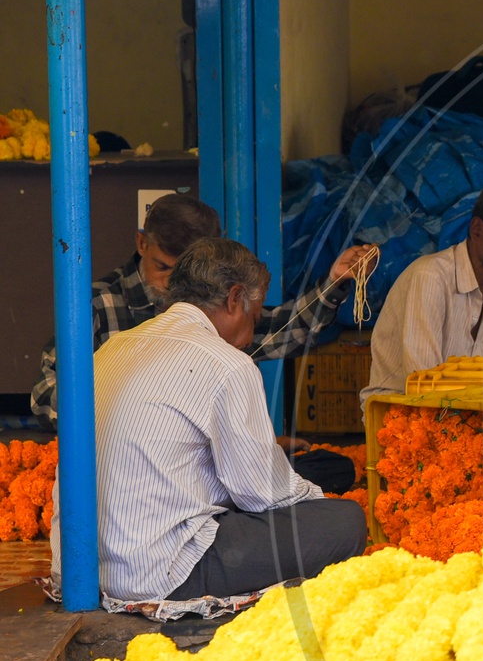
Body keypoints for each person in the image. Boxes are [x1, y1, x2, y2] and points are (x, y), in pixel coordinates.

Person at [61, 237, 367, 603]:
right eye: (255, 318)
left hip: (81, 568)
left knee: (312, 472)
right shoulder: (227, 364)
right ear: (235, 298)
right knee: (345, 521)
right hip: (160, 571)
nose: (251, 334)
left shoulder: (114, 347)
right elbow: (264, 495)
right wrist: (315, 503)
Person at [31, 192, 372, 494]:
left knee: (328, 468)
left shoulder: (219, 315)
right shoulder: (97, 306)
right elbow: (45, 393)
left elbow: (280, 329)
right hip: (119, 469)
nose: (170, 284)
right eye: (162, 267)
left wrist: (333, 284)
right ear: (141, 244)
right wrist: (122, 413)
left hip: (201, 465)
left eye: (182, 273)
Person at [361, 184, 483, 406]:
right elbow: (424, 388)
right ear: (477, 230)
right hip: (404, 417)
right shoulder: (430, 277)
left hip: (470, 418)